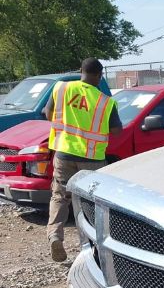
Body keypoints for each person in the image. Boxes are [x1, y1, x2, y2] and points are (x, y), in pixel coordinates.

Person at [43, 58, 122, 262]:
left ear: (81, 71)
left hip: (64, 153)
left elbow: (47, 113)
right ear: (99, 75)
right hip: (92, 158)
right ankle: (93, 247)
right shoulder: (105, 101)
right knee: (92, 202)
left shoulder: (61, 88)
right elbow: (116, 130)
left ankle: (55, 236)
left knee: (59, 196)